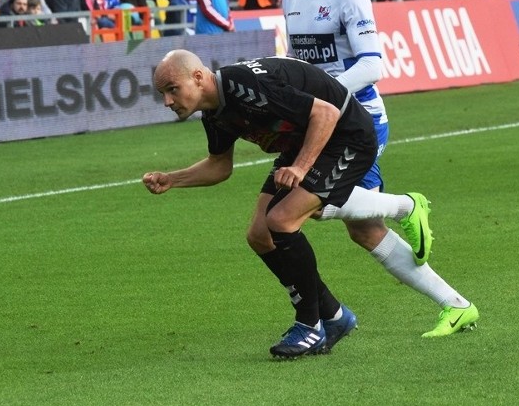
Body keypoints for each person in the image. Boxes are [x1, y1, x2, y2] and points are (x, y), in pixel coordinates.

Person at [281, 0, 479, 339]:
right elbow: (302, 68)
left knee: (317, 205)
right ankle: (456, 305)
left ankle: (409, 205)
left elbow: (372, 66)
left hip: (359, 123)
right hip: (322, 124)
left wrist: (324, 96)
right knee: (364, 229)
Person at [144, 51, 396, 357]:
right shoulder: (214, 113)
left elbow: (326, 114)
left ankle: (309, 325)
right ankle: (334, 316)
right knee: (260, 235)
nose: (168, 102)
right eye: (163, 94)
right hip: (306, 142)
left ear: (198, 78)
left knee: (282, 221)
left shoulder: (242, 84)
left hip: (346, 136)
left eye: (173, 89)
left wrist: (301, 168)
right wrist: (173, 179)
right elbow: (219, 166)